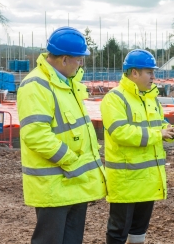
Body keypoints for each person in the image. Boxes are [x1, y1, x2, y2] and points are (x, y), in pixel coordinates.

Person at [17, 26, 107, 244]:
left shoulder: (67, 84)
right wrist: (71, 161)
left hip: (73, 182)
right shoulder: (36, 85)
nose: (81, 64)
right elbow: (36, 135)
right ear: (64, 59)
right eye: (79, 59)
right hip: (55, 185)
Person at [100, 49, 174, 244]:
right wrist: (159, 134)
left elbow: (158, 126)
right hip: (126, 181)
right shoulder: (115, 98)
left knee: (139, 231)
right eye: (149, 72)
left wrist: (169, 130)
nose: (153, 77)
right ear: (134, 73)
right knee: (118, 231)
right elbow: (120, 133)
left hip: (147, 179)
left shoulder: (150, 98)